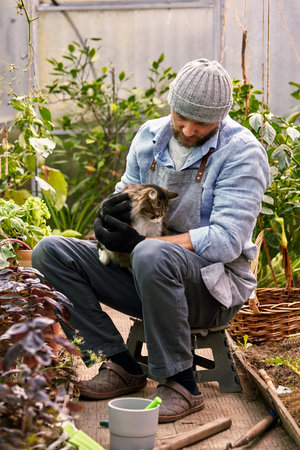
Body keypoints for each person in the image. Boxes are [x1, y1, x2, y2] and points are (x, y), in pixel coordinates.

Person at [32, 59, 270, 423]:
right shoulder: (149, 137)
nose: (188, 130)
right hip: (145, 276)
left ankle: (181, 383)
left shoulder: (242, 154)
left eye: (202, 123)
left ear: (222, 118)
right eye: (181, 117)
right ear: (170, 104)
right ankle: (118, 363)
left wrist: (144, 245)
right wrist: (109, 222)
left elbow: (226, 241)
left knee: (151, 253)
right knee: (50, 252)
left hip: (209, 290)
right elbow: (122, 195)